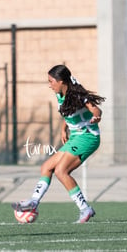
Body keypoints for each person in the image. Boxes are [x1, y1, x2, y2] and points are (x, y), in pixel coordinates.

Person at [12, 64, 105, 223]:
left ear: (62, 81)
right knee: (46, 167)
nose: (49, 84)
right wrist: (64, 129)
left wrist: (96, 117)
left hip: (87, 137)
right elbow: (67, 111)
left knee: (61, 171)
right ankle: (33, 203)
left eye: (51, 81)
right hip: (76, 136)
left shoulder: (77, 95)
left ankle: (85, 209)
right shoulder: (60, 93)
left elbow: (96, 110)